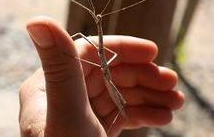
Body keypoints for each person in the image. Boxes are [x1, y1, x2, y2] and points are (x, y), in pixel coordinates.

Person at [19, 16, 185, 137]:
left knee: (123, 103)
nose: (98, 20)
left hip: (108, 78)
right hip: (105, 75)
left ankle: (118, 116)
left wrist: (69, 59)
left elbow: (105, 60)